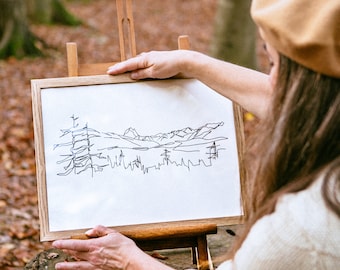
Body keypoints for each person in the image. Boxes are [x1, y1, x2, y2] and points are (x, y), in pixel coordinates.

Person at [52, 0, 340, 269]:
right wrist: (190, 62)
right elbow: (288, 100)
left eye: (275, 64)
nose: (271, 80)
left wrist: (127, 260)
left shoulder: (301, 227)